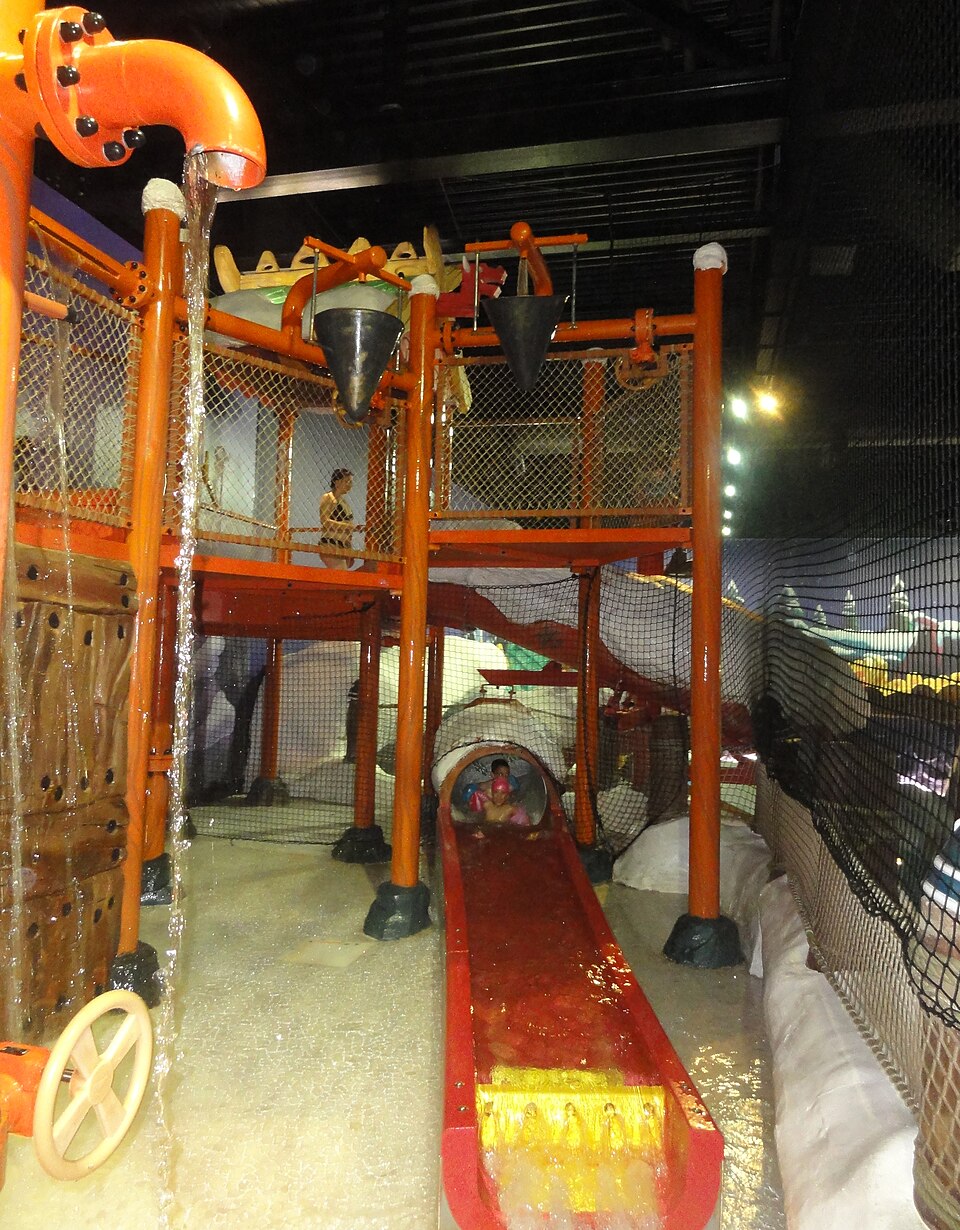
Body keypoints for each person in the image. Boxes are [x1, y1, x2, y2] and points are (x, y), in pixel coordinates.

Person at [319, 468, 361, 568]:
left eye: (351, 482)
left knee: (342, 575)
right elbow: (325, 521)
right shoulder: (329, 497)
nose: (349, 485)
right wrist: (348, 527)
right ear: (336, 482)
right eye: (347, 481)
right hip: (331, 543)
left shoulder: (344, 502)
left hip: (344, 544)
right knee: (341, 575)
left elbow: (348, 524)